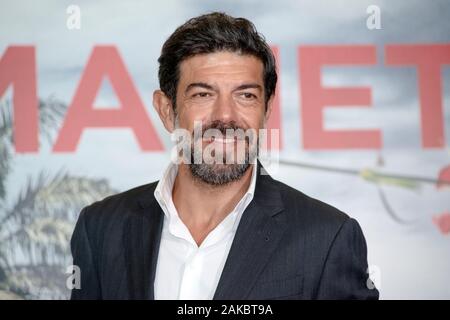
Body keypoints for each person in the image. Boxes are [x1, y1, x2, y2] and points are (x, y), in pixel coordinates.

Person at [70, 12, 379, 300]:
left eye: (246, 96)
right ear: (167, 110)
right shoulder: (100, 228)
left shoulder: (326, 238)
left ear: (266, 110)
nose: (226, 116)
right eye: (203, 94)